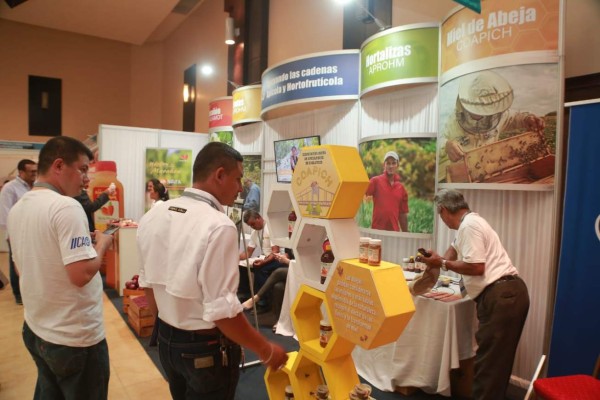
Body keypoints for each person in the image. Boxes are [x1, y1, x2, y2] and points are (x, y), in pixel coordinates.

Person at [137, 142, 287, 399]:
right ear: (219, 175)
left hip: (166, 342)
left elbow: (147, 284)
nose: (241, 188)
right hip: (203, 348)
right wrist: (265, 349)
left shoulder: (154, 215)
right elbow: (223, 312)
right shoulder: (219, 225)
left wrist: (168, 328)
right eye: (238, 179)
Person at [7, 137, 113, 398]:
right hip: (73, 337)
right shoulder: (66, 206)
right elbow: (81, 275)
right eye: (83, 169)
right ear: (58, 165)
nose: (86, 178)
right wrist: (103, 244)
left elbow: (24, 268)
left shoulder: (19, 208)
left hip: (37, 329)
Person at [418, 189, 529, 400]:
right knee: (496, 365)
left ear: (442, 210)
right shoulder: (467, 225)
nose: (441, 220)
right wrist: (437, 260)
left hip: (502, 295)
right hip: (508, 295)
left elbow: (476, 266)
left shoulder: (469, 226)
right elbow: (450, 253)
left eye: (439, 215)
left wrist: (441, 263)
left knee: (489, 367)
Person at [443, 70, 546, 163]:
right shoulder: (450, 120)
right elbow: (438, 140)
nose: (484, 113)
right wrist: (446, 145)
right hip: (461, 172)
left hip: (489, 166)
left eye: (487, 108)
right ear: (467, 105)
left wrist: (527, 119)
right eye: (478, 108)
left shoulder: (496, 116)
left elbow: (514, 118)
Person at [0, 159, 37, 304]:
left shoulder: (35, 186)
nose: (35, 174)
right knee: (16, 262)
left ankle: (30, 291)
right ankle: (18, 295)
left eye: (36, 171)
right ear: (21, 172)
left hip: (33, 231)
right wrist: (11, 235)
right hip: (16, 233)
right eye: (31, 171)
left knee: (31, 261)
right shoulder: (10, 188)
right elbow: (5, 213)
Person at [240, 210, 287, 305]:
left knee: (260, 268)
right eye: (250, 226)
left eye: (253, 224)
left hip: (279, 258)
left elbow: (275, 252)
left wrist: (263, 262)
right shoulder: (255, 233)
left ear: (259, 218)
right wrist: (233, 257)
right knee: (241, 264)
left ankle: (263, 301)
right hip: (266, 257)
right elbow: (248, 253)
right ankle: (246, 294)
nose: (252, 227)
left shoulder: (270, 228)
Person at [364, 151, 409, 232]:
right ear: (384, 165)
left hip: (394, 232)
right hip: (377, 231)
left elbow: (402, 214)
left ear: (397, 165)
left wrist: (406, 233)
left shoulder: (401, 188)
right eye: (388, 163)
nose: (390, 166)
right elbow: (361, 192)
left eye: (393, 163)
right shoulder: (375, 181)